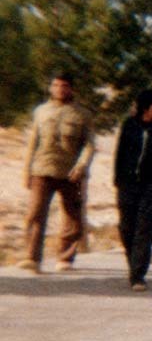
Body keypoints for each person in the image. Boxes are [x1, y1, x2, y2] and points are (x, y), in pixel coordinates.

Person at [18, 73, 96, 273]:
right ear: (51, 88)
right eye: (56, 85)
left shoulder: (83, 114)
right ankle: (32, 258)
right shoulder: (41, 112)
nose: (59, 89)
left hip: (71, 173)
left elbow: (90, 145)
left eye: (64, 86)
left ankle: (65, 258)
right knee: (35, 213)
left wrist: (82, 166)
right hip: (42, 169)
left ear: (71, 89)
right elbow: (32, 142)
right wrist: (26, 170)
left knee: (73, 217)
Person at [113, 89, 152, 291]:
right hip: (128, 184)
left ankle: (138, 275)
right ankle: (134, 263)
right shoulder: (129, 125)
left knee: (145, 228)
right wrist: (118, 179)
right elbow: (120, 153)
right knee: (126, 227)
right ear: (147, 107)